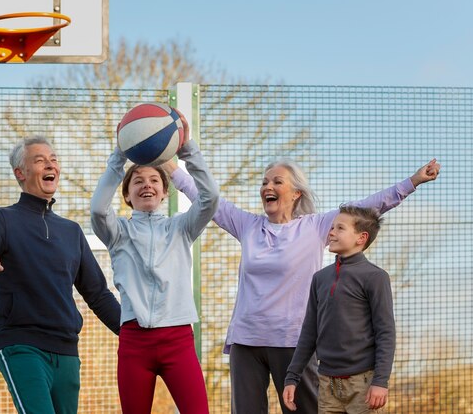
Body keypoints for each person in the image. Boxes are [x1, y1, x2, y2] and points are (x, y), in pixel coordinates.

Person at [163, 157, 440, 414]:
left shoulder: (315, 226)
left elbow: (367, 208)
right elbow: (209, 200)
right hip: (246, 342)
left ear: (296, 193)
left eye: (276, 182)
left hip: (293, 342)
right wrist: (172, 167)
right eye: (264, 182)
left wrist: (411, 182)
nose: (267, 187)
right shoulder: (247, 225)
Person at [0, 136, 121, 414]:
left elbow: (98, 294)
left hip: (67, 349)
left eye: (53, 159)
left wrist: (131, 332)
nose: (50, 164)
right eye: (40, 160)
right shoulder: (2, 219)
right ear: (21, 172)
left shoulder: (71, 231)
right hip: (21, 344)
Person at [90, 110, 219, 414]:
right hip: (135, 343)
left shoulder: (180, 228)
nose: (146, 185)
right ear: (127, 195)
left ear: (164, 193)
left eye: (153, 180)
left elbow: (210, 197)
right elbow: (97, 210)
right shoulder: (118, 232)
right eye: (137, 181)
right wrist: (118, 157)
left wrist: (187, 151)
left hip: (178, 340)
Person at [283, 205, 393, 413]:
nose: (331, 232)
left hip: (364, 383)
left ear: (361, 238)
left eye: (339, 228)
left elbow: (385, 332)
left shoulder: (375, 277)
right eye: (332, 227)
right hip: (326, 382)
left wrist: (381, 381)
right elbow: (309, 331)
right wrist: (292, 376)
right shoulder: (320, 278)